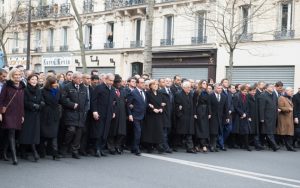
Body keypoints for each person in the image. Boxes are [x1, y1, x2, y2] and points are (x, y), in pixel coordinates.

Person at [60, 72, 89, 159]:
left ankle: (75, 151)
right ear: (74, 78)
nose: (80, 80)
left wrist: (85, 110)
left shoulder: (84, 88)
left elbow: (87, 101)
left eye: (81, 78)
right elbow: (62, 99)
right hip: (70, 113)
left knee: (78, 133)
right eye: (78, 78)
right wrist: (72, 105)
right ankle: (64, 147)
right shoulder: (67, 87)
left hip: (81, 114)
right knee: (71, 130)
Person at [0, 68, 25, 165]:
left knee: (9, 133)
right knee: (11, 132)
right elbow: (1, 99)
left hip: (18, 113)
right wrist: (0, 112)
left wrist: (22, 114)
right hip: (8, 113)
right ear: (12, 75)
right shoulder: (7, 85)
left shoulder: (22, 86)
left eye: (19, 74)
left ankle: (4, 152)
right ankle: (14, 157)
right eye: (15, 75)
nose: (18, 76)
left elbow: (22, 102)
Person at [19, 74, 44, 161]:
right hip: (27, 114)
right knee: (26, 133)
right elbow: (24, 102)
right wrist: (33, 105)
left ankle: (31, 151)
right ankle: (29, 151)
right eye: (32, 79)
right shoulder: (25, 90)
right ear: (28, 80)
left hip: (36, 115)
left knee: (34, 134)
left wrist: (41, 104)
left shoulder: (39, 90)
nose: (34, 81)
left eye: (35, 79)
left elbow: (42, 100)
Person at [91, 73, 116, 157]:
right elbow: (93, 100)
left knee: (105, 132)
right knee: (99, 132)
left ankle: (101, 149)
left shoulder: (112, 89)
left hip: (108, 114)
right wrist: (94, 111)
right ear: (105, 79)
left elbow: (114, 102)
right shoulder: (99, 87)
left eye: (112, 81)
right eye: (110, 80)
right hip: (100, 113)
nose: (112, 82)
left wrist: (113, 112)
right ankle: (97, 149)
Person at [40, 76, 62, 160]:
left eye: (57, 82)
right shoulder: (42, 90)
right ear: (50, 84)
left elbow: (61, 100)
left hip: (55, 115)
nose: (57, 84)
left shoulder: (58, 90)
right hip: (45, 114)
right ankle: (42, 151)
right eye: (55, 82)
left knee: (54, 134)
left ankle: (55, 153)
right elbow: (43, 101)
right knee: (44, 134)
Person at [142, 80, 165, 153]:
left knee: (158, 131)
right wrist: (152, 109)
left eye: (157, 84)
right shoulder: (147, 93)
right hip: (150, 115)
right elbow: (146, 103)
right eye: (154, 84)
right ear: (150, 86)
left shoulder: (160, 93)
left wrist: (162, 108)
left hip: (158, 115)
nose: (156, 85)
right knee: (150, 131)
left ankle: (158, 146)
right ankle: (149, 146)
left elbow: (162, 103)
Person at [107, 74, 127, 155]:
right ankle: (111, 147)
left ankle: (117, 146)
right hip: (114, 113)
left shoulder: (123, 90)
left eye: (120, 82)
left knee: (121, 132)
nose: (119, 83)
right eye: (117, 82)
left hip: (122, 113)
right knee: (112, 131)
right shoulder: (110, 90)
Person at [127, 78, 147, 156]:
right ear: (137, 84)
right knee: (137, 132)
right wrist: (130, 114)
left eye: (144, 82)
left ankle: (133, 147)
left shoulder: (144, 92)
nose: (143, 84)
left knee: (139, 132)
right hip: (135, 116)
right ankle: (136, 148)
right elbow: (128, 104)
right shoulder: (133, 92)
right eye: (142, 83)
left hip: (143, 116)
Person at [174, 81, 196, 153]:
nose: (189, 89)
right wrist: (179, 115)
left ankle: (190, 148)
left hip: (189, 116)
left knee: (189, 133)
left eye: (190, 87)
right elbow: (177, 106)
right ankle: (175, 145)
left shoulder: (191, 94)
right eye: (188, 87)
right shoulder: (178, 94)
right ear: (183, 87)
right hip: (182, 116)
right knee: (178, 132)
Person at [259, 84, 280, 151]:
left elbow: (276, 104)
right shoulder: (263, 95)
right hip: (266, 117)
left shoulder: (274, 94)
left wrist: (277, 110)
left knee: (268, 131)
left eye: (273, 87)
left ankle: (262, 144)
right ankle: (274, 146)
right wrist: (262, 118)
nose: (272, 88)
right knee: (269, 131)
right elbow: (261, 108)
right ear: (266, 88)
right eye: (271, 87)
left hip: (273, 116)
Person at [209, 83, 229, 152]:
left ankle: (214, 146)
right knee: (213, 132)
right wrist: (209, 114)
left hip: (220, 117)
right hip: (212, 116)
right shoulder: (211, 95)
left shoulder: (224, 96)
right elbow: (209, 106)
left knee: (217, 131)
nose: (220, 90)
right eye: (218, 88)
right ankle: (212, 146)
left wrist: (227, 117)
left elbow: (226, 107)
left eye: (221, 88)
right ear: (215, 88)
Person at [193, 80, 211, 153]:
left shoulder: (207, 92)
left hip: (206, 111)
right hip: (199, 111)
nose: (205, 84)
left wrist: (210, 113)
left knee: (204, 129)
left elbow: (209, 103)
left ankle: (198, 145)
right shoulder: (197, 92)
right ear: (200, 84)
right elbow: (194, 103)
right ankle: (203, 145)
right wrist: (194, 113)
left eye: (206, 83)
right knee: (200, 128)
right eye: (203, 83)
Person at [277, 87, 296, 151]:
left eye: (292, 91)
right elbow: (280, 107)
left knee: (288, 134)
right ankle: (289, 147)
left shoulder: (290, 98)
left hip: (289, 118)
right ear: (287, 91)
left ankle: (289, 147)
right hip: (284, 118)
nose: (292, 92)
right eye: (291, 91)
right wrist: (289, 109)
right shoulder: (281, 98)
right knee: (285, 133)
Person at [233, 85, 251, 151]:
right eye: (244, 91)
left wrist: (245, 114)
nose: (245, 92)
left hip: (244, 116)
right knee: (239, 131)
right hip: (238, 116)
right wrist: (242, 113)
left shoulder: (246, 97)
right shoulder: (237, 96)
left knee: (246, 131)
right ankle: (240, 144)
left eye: (246, 91)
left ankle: (246, 146)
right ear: (241, 90)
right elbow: (236, 106)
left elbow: (248, 107)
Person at [159, 78, 173, 153]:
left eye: (169, 81)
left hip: (170, 114)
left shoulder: (171, 92)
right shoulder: (161, 91)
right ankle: (165, 146)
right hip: (163, 114)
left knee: (167, 131)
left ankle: (163, 145)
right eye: (166, 81)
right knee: (164, 131)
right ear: (164, 83)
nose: (168, 82)